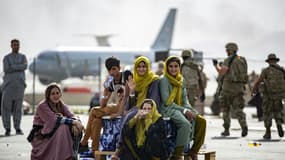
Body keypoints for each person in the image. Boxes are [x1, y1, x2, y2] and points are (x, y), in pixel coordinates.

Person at [78, 56, 132, 157]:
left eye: (114, 69)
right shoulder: (111, 82)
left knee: (94, 111)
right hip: (117, 106)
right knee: (96, 121)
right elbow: (103, 104)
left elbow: (128, 96)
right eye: (109, 70)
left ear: (119, 68)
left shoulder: (126, 74)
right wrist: (105, 89)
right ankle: (94, 151)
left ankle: (84, 142)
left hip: (127, 106)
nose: (112, 72)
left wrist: (119, 113)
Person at [111, 56, 161, 159]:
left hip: (149, 108)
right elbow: (131, 103)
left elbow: (154, 100)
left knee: (129, 115)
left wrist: (141, 109)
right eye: (139, 66)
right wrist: (132, 92)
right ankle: (126, 149)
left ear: (148, 67)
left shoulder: (153, 80)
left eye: (144, 66)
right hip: (137, 108)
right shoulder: (135, 81)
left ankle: (119, 149)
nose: (141, 69)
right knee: (127, 116)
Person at [159, 56, 206, 160]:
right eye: (170, 66)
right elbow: (167, 101)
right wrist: (184, 111)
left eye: (176, 66)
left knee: (201, 121)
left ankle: (194, 151)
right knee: (184, 124)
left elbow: (185, 100)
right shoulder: (164, 80)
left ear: (179, 67)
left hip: (180, 107)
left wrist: (190, 110)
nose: (173, 69)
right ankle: (176, 154)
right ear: (167, 67)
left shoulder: (181, 80)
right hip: (168, 109)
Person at [27, 83, 84, 160]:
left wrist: (76, 122)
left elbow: (71, 115)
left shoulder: (60, 104)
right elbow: (53, 120)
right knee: (63, 127)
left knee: (72, 127)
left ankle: (71, 154)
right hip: (41, 136)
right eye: (52, 94)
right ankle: (64, 157)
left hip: (54, 132)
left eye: (57, 93)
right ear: (48, 95)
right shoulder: (42, 106)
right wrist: (73, 122)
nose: (55, 95)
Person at [212, 42, 248, 137]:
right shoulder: (242, 60)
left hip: (228, 89)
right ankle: (244, 125)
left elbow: (222, 72)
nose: (226, 51)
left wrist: (216, 65)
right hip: (239, 88)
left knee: (226, 109)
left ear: (230, 50)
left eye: (227, 49)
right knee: (238, 109)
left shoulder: (228, 60)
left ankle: (226, 130)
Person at [252, 53, 285, 139]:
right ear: (275, 61)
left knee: (267, 113)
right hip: (279, 95)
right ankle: (279, 125)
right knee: (278, 111)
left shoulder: (266, 70)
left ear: (269, 61)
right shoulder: (282, 70)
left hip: (268, 96)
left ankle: (268, 133)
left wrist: (253, 90)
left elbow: (259, 81)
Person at [1, 39, 27, 136]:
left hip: (20, 86)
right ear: (11, 46)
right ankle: (7, 128)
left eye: (17, 45)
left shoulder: (23, 57)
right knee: (6, 108)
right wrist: (18, 67)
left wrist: (14, 67)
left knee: (18, 108)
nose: (16, 46)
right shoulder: (6, 58)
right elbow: (6, 69)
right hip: (8, 86)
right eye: (14, 45)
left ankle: (17, 128)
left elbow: (24, 66)